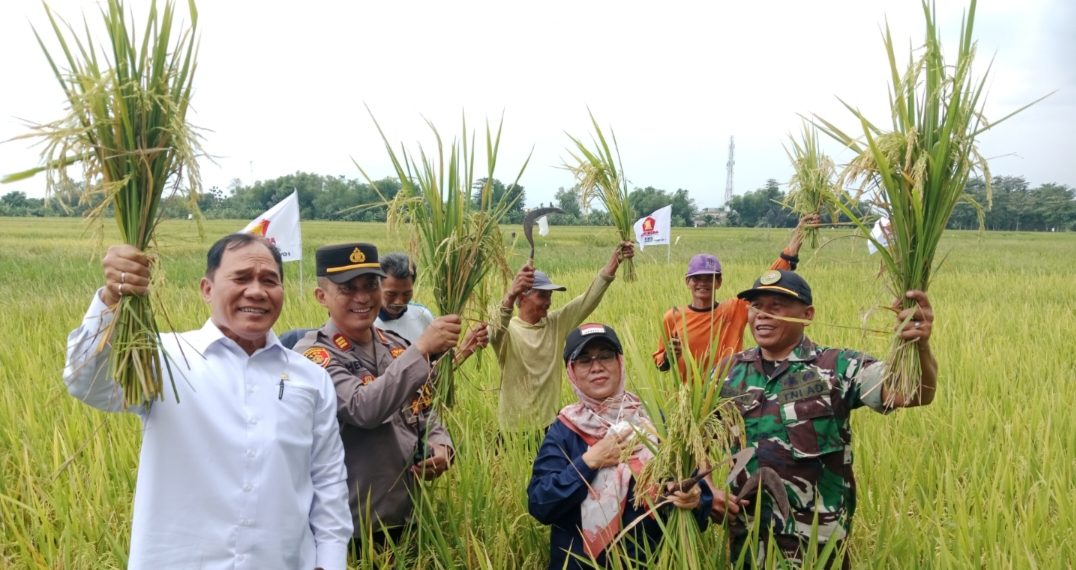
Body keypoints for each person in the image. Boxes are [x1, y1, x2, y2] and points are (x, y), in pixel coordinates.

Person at [63, 234, 352, 569]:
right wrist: (112, 297)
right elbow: (86, 382)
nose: (256, 291)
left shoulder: (311, 378)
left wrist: (330, 562)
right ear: (207, 289)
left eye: (269, 280)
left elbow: (328, 484)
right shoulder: (163, 356)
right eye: (241, 278)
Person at [710, 269, 937, 568]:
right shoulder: (728, 371)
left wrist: (919, 345)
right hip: (748, 541)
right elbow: (694, 440)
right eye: (756, 306)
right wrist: (707, 491)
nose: (762, 315)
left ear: (807, 315)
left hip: (817, 544)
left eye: (777, 306)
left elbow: (911, 393)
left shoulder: (837, 367)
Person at [292, 242, 460, 547]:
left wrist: (441, 445)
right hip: (350, 527)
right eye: (347, 288)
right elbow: (363, 408)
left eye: (370, 285)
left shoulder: (396, 346)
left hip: (409, 515)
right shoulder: (313, 355)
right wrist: (423, 349)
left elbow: (424, 408)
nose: (362, 297)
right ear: (321, 296)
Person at [528, 323, 712, 569]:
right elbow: (540, 504)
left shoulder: (653, 420)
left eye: (605, 355)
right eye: (584, 360)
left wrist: (694, 498)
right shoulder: (564, 430)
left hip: (653, 561)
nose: (596, 367)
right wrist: (589, 462)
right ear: (571, 371)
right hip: (582, 564)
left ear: (620, 362)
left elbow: (697, 491)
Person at [491, 241, 634, 432]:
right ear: (522, 297)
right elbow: (494, 331)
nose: (548, 302)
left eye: (550, 296)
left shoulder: (555, 324)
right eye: (542, 295)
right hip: (513, 431)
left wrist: (615, 261)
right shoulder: (509, 332)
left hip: (549, 425)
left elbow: (587, 300)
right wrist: (510, 295)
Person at [652, 215, 818, 379]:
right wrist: (669, 356)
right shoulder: (673, 317)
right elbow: (660, 363)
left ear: (719, 282)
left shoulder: (733, 310)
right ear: (687, 282)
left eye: (709, 278)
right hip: (689, 394)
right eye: (697, 278)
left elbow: (769, 281)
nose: (703, 283)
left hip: (727, 390)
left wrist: (796, 241)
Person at [374, 251, 489, 363]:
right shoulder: (369, 325)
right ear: (376, 287)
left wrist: (466, 348)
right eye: (391, 294)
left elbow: (435, 370)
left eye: (406, 293)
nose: (399, 301)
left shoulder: (422, 315)